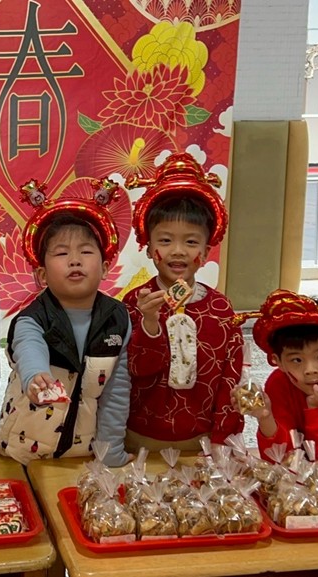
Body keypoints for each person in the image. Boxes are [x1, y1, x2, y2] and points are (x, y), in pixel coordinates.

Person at [0, 178, 132, 467]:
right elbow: (28, 346)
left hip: (81, 454)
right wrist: (35, 376)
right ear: (42, 275)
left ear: (105, 267)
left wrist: (110, 451)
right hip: (22, 452)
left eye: (86, 251)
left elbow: (116, 393)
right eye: (61, 253)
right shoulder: (32, 317)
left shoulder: (118, 320)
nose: (75, 260)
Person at [121, 152, 244, 452]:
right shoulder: (135, 302)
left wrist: (222, 441)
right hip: (139, 437)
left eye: (191, 242)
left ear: (207, 250)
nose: (178, 251)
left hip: (202, 443)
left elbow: (230, 380)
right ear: (148, 247)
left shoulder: (221, 309)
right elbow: (132, 371)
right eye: (165, 241)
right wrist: (149, 323)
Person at [232, 289, 318, 464]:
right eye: (296, 360)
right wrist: (265, 418)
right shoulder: (278, 383)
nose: (310, 370)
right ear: (278, 362)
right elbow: (280, 460)